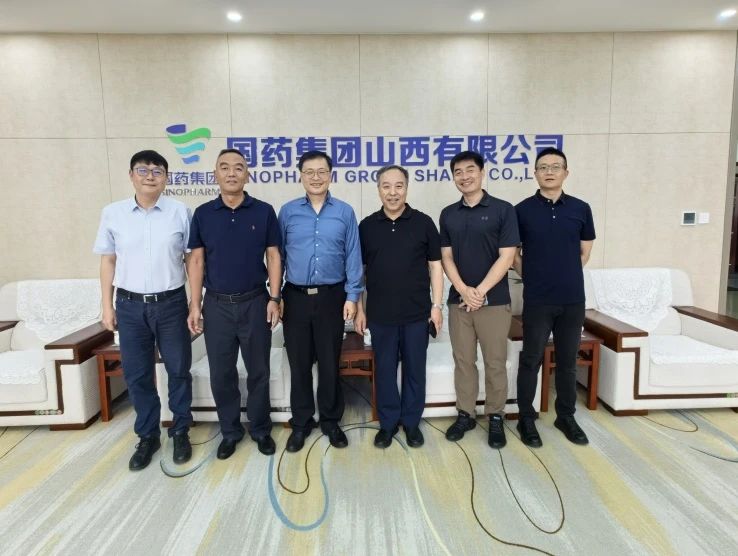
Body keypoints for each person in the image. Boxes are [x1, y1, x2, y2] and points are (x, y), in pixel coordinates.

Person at [94, 150, 193, 471]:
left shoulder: (180, 212)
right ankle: (148, 436)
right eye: (143, 170)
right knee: (137, 374)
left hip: (172, 304)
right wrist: (106, 305)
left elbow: (192, 259)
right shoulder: (113, 213)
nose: (150, 176)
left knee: (178, 370)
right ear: (131, 175)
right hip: (129, 306)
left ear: (166, 177)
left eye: (157, 171)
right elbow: (108, 261)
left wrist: (195, 302)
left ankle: (180, 430)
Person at [187, 149, 281, 459]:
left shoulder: (263, 211)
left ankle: (260, 429)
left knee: (259, 371)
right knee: (222, 373)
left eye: (238, 168)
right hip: (216, 305)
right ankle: (230, 431)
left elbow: (274, 256)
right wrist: (195, 304)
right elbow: (196, 260)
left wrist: (275, 297)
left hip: (255, 302)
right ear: (215, 174)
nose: (231, 173)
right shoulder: (203, 214)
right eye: (224, 167)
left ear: (247, 174)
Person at [278, 150, 362, 452]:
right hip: (295, 298)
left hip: (331, 297)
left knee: (329, 363)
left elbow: (353, 256)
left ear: (330, 175)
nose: (316, 177)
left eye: (322, 171)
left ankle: (330, 420)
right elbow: (277, 257)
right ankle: (301, 423)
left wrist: (352, 296)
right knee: (299, 364)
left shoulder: (345, 212)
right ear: (301, 175)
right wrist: (276, 295)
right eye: (309, 172)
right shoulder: (287, 212)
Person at [354, 165, 443, 449]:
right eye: (386, 186)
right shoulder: (367, 226)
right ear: (378, 189)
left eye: (398, 186)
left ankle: (412, 423)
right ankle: (388, 423)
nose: (393, 192)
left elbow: (436, 267)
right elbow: (359, 272)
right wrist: (360, 309)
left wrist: (437, 306)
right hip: (380, 316)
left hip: (417, 314)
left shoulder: (424, 223)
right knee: (385, 371)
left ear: (406, 188)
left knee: (415, 370)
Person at [514, 147, 595, 447]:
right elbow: (513, 254)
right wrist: (533, 276)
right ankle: (526, 417)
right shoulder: (521, 210)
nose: (549, 171)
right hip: (537, 299)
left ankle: (566, 416)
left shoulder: (580, 208)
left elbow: (584, 252)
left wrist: (565, 274)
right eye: (543, 167)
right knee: (531, 358)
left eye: (555, 166)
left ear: (566, 172)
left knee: (568, 361)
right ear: (535, 173)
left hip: (572, 299)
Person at [439, 150, 519, 449]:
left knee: (495, 362)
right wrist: (463, 289)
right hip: (459, 301)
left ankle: (495, 416)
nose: (464, 176)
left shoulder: (503, 210)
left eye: (470, 170)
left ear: (482, 172)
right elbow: (446, 256)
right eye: (458, 172)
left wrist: (480, 291)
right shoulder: (448, 214)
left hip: (494, 302)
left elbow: (507, 257)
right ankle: (466, 414)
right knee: (463, 361)